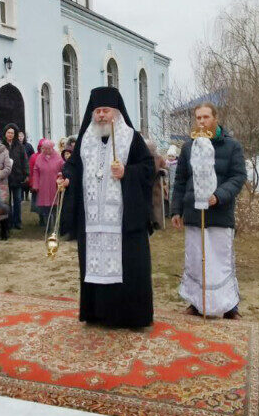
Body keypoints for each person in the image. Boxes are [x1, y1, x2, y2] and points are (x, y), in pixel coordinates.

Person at [58, 87, 155, 328]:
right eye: (98, 111)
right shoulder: (85, 139)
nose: (101, 115)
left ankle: (128, 317)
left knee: (128, 265)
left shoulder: (131, 137)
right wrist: (66, 178)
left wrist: (126, 172)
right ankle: (96, 313)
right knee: (93, 263)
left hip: (123, 219)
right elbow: (73, 166)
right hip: (92, 218)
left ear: (116, 113)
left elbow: (148, 168)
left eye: (106, 111)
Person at [171, 103, 247, 318]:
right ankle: (197, 303)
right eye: (198, 118)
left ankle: (229, 306)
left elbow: (238, 176)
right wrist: (176, 210)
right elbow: (181, 180)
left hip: (219, 214)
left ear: (215, 118)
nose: (202, 121)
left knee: (220, 261)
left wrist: (219, 195)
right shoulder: (188, 147)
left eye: (206, 117)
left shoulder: (232, 146)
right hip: (194, 213)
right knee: (196, 260)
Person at [31, 139, 64, 226]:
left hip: (55, 185)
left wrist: (61, 177)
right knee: (45, 207)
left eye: (48, 149)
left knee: (55, 205)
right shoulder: (39, 157)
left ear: (52, 148)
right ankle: (47, 225)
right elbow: (35, 171)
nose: (45, 150)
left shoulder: (58, 157)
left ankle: (56, 225)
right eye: (44, 148)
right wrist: (35, 184)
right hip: (43, 185)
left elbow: (63, 169)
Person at [2, 124, 29, 230]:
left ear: (15, 134)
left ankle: (17, 221)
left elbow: (24, 160)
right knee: (7, 201)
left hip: (17, 177)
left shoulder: (19, 146)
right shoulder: (2, 146)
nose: (10, 134)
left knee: (17, 200)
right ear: (5, 134)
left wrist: (26, 174)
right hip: (6, 177)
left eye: (12, 133)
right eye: (8, 132)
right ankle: (8, 222)